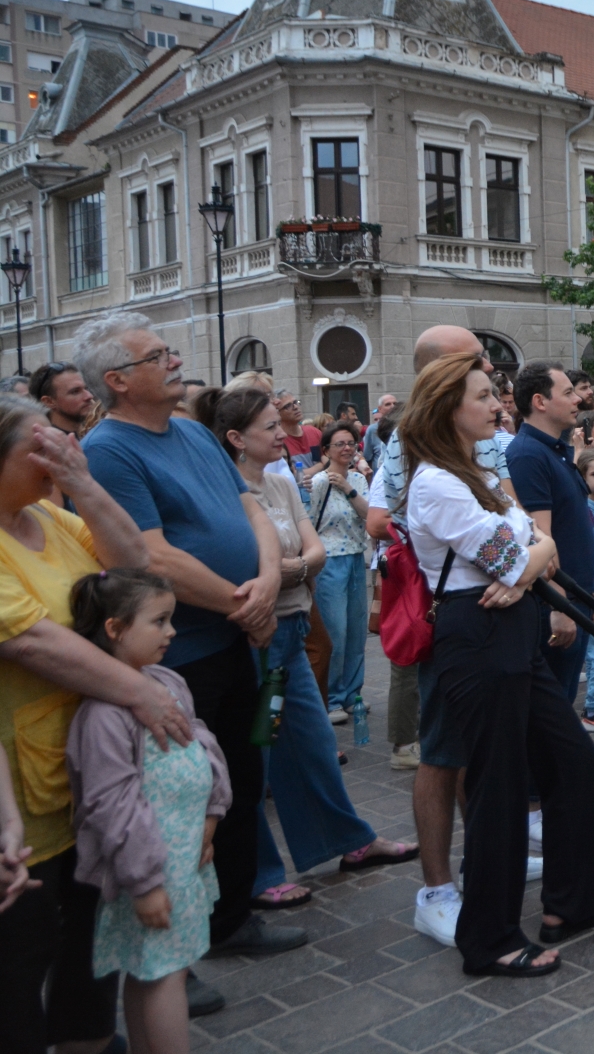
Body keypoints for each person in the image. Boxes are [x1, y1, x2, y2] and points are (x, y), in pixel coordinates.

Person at [73, 314, 303, 978]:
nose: (176, 362)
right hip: (178, 655)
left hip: (234, 639)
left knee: (233, 780)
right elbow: (151, 555)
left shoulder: (195, 434)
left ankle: (228, 919)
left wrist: (262, 584)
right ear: (117, 380)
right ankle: (166, 959)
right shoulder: (109, 450)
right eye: (158, 356)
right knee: (169, 802)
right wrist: (244, 603)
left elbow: (251, 508)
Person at [0, 393, 202, 1046]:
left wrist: (81, 482)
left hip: (98, 775)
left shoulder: (50, 517)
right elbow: (30, 639)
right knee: (23, 961)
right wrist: (142, 695)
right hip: (27, 790)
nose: (60, 449)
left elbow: (133, 568)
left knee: (91, 953)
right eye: (41, 444)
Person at [401, 350, 594, 978]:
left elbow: (525, 551)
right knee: (498, 789)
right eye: (485, 397)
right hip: (480, 637)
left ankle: (570, 903)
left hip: (510, 630)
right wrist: (529, 559)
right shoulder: (436, 482)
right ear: (447, 409)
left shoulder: (472, 473)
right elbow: (520, 556)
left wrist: (527, 560)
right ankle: (488, 938)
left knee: (573, 759)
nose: (499, 405)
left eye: (496, 395)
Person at [193, 387, 415, 912]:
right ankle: (258, 872)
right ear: (234, 438)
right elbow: (262, 563)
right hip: (258, 639)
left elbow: (311, 550)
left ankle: (348, 841)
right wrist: (292, 570)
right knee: (257, 755)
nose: (282, 434)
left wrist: (285, 571)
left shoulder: (281, 482)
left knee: (314, 745)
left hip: (291, 628)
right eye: (269, 427)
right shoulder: (221, 491)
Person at [363, 324, 515, 941]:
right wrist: (439, 550)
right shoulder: (413, 448)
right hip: (453, 609)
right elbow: (380, 516)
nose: (488, 375)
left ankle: (484, 857)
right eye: (472, 364)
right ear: (439, 379)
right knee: (443, 748)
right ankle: (436, 887)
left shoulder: (480, 436)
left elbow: (517, 518)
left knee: (476, 749)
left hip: (497, 602)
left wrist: (516, 548)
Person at [64, 570, 226, 1054]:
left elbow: (203, 743)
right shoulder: (103, 715)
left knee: (155, 969)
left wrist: (211, 815)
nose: (172, 632)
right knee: (162, 976)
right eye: (159, 621)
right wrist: (145, 881)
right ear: (114, 629)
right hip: (152, 869)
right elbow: (112, 802)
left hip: (183, 860)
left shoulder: (166, 680)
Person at [504, 362, 594, 709]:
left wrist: (589, 591)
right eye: (567, 393)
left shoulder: (553, 450)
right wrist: (558, 606)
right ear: (540, 401)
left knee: (561, 703)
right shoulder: (528, 454)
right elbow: (539, 536)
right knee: (550, 710)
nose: (578, 399)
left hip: (575, 595)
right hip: (555, 604)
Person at [307, 422, 370, 721]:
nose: (347, 448)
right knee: (336, 631)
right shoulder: (319, 482)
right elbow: (309, 519)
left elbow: (370, 515)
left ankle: (352, 693)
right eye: (340, 444)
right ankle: (331, 697)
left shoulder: (358, 478)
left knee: (357, 632)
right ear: (326, 451)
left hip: (357, 556)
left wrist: (349, 488)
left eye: (351, 443)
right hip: (330, 560)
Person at [272, 391, 321, 470]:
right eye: (288, 406)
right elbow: (293, 475)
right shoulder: (277, 441)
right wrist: (321, 465)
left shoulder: (314, 432)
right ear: (277, 414)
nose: (295, 407)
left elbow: (330, 462)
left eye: (295, 402)